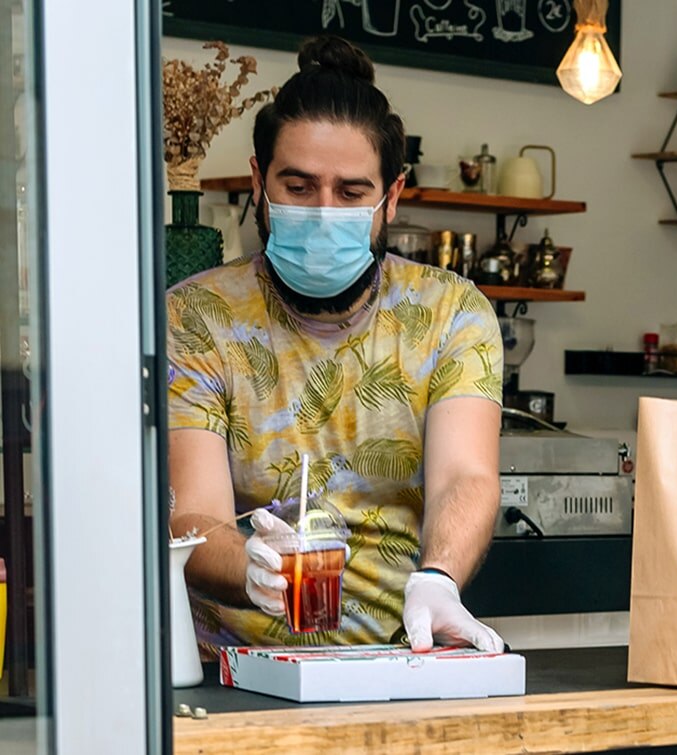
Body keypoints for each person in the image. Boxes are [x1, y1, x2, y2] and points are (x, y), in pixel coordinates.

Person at [167, 37, 505, 654]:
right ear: (258, 183)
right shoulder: (197, 318)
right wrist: (249, 569)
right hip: (236, 673)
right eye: (298, 188)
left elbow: (466, 475)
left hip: (406, 657)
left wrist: (439, 578)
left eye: (351, 194)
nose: (324, 213)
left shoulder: (452, 312)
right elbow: (195, 514)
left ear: (392, 198)